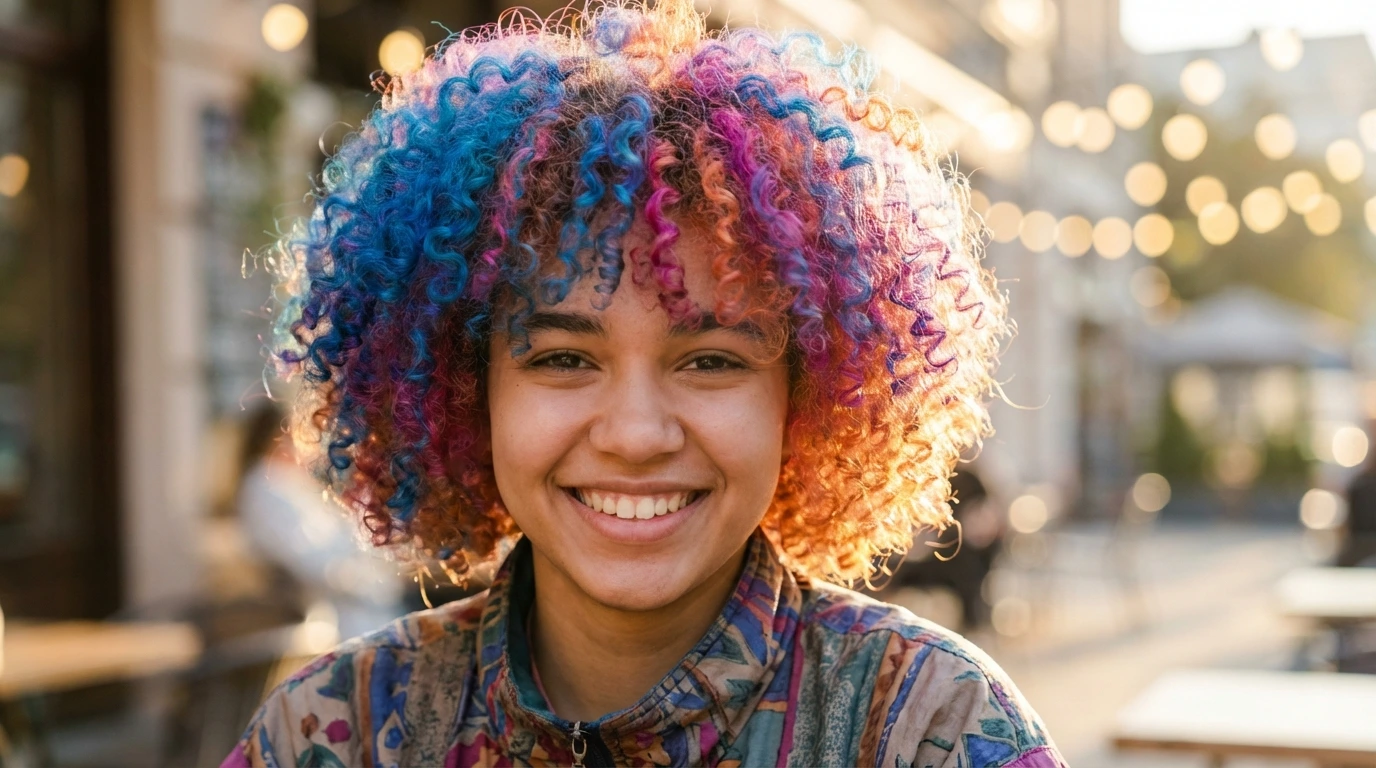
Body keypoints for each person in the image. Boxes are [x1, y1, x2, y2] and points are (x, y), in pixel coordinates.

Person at [223, 2, 1066, 765]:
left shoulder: (931, 728)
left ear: (802, 400)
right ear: (466, 392)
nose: (634, 433)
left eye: (712, 362)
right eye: (562, 359)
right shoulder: (337, 731)